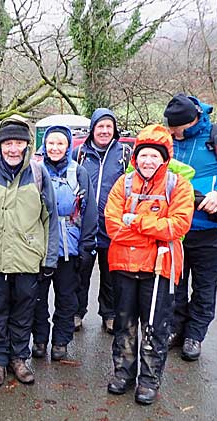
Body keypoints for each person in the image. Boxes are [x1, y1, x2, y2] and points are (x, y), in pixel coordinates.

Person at [104, 124, 193, 404]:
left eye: (155, 156)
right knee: (124, 323)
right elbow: (112, 225)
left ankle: (149, 379)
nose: (148, 161)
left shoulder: (178, 186)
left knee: (156, 326)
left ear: (164, 158)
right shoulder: (124, 183)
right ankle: (123, 373)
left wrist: (138, 222)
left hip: (159, 267)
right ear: (136, 157)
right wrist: (153, 233)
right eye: (144, 155)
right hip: (123, 265)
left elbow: (178, 226)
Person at [163, 94, 217, 360]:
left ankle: (195, 335)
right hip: (176, 229)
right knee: (175, 285)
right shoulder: (169, 140)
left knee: (204, 287)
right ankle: (175, 329)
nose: (172, 134)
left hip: (211, 231)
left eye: (176, 129)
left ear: (191, 122)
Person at [0, 116, 59, 386]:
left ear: (27, 145)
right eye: (8, 143)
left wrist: (50, 258)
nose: (13, 149)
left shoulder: (38, 173)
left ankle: (19, 359)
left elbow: (51, 218)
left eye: (18, 143)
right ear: (0, 146)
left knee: (24, 312)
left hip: (28, 258)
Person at [31, 125, 97, 361]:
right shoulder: (35, 171)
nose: (55, 148)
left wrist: (86, 247)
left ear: (68, 146)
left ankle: (61, 340)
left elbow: (90, 212)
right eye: (51, 143)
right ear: (44, 145)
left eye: (60, 143)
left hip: (70, 245)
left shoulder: (79, 172)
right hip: (40, 245)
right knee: (37, 297)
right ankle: (39, 339)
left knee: (67, 297)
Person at [72, 108, 131, 334]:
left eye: (109, 127)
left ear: (114, 129)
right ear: (92, 129)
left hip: (113, 225)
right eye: (100, 126)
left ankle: (110, 314)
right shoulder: (79, 153)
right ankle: (77, 312)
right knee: (80, 272)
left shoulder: (124, 153)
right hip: (83, 225)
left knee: (111, 274)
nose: (105, 131)